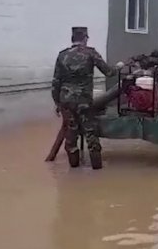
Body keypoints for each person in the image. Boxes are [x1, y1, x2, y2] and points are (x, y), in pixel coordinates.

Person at [51, 27, 124, 170]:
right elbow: (109, 72)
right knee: (90, 132)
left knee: (71, 134)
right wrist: (119, 67)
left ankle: (74, 168)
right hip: (84, 101)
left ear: (73, 38)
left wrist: (57, 103)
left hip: (66, 101)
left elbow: (55, 82)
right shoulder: (91, 53)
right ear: (85, 38)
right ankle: (96, 169)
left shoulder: (62, 55)